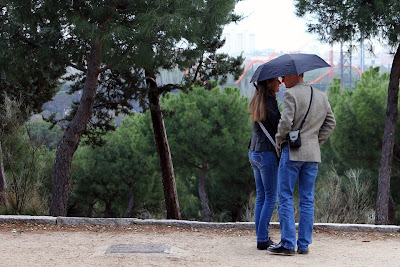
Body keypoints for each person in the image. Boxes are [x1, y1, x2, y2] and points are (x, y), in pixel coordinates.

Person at [268, 73, 336, 255]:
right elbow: (331, 123)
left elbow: (286, 122)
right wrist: (315, 141)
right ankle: (304, 245)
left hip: (293, 152)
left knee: (285, 197)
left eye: (284, 77)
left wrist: (279, 140)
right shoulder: (322, 95)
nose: (282, 81)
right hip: (313, 154)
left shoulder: (291, 94)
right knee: (307, 200)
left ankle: (288, 244)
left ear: (295, 75)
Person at [248, 77, 281, 250]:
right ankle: (262, 239)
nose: (280, 83)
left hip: (253, 151)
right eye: (277, 80)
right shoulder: (270, 103)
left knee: (261, 196)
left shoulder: (257, 101)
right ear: (269, 83)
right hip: (267, 153)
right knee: (271, 197)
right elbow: (279, 126)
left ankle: (261, 236)